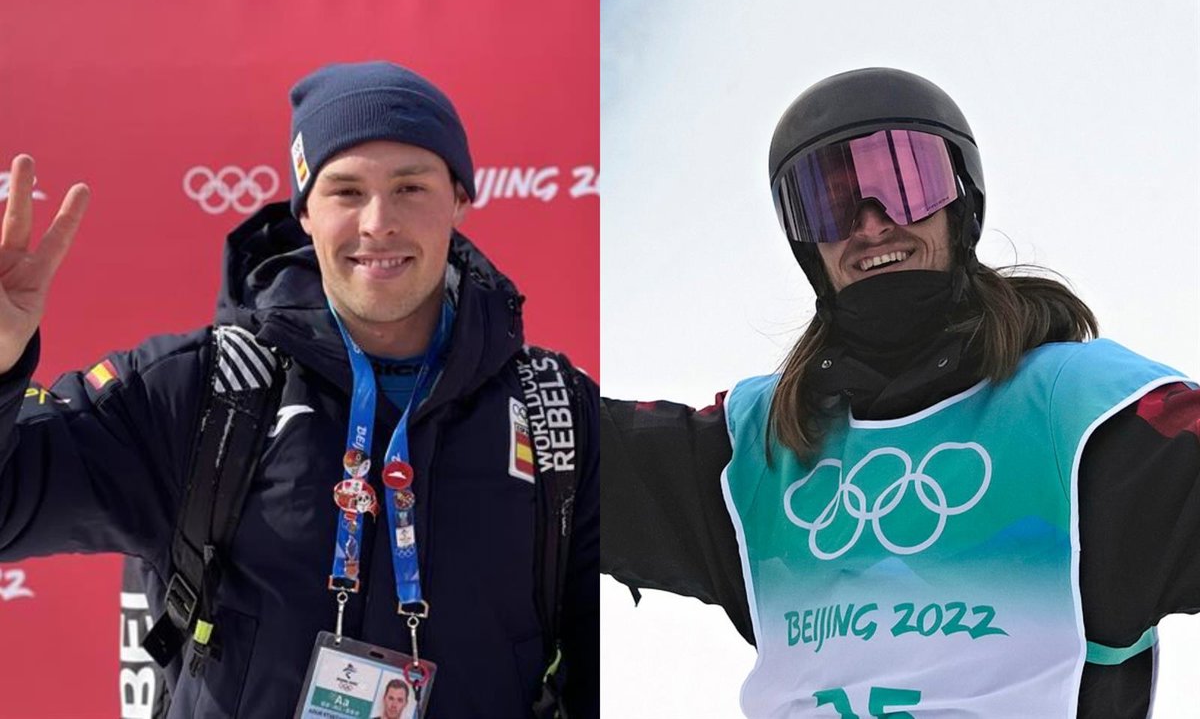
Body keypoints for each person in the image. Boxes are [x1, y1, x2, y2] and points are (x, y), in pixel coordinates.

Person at [0, 61, 598, 718]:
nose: (378, 222)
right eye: (346, 191)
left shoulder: (555, 413)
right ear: (305, 212)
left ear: (458, 199)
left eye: (410, 187)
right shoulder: (199, 392)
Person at [600, 67, 1200, 717]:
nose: (872, 224)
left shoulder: (1086, 415)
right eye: (830, 203)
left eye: (906, 184)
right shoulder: (760, 450)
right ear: (808, 244)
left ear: (961, 205)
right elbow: (567, 454)